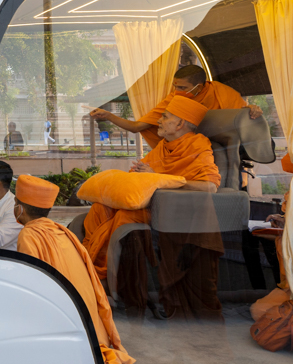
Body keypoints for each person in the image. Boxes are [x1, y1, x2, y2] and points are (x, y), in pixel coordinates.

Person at [82, 95, 222, 320]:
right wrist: (139, 175)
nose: (158, 121)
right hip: (147, 203)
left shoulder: (198, 145)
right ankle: (91, 273)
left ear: (180, 123)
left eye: (164, 117)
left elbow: (209, 186)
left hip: (170, 212)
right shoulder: (163, 147)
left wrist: (157, 177)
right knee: (100, 209)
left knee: (124, 217)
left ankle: (107, 282)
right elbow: (148, 175)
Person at [12, 175, 135, 364]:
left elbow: (30, 286)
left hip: (67, 320)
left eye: (15, 203)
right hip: (89, 322)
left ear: (20, 208)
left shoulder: (29, 234)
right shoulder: (62, 231)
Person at [90, 64, 261, 149]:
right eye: (175, 86)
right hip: (184, 151)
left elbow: (240, 117)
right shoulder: (174, 99)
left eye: (183, 88)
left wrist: (250, 110)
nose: (177, 91)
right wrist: (108, 115)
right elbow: (137, 127)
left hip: (217, 150)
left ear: (199, 87)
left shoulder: (221, 92)